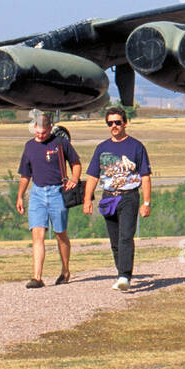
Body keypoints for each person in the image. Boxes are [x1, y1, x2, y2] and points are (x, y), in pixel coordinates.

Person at [82, 106, 152, 291]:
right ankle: (121, 272)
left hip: (128, 196)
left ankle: (124, 276)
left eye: (117, 122)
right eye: (110, 123)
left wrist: (146, 202)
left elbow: (145, 176)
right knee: (114, 240)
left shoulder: (136, 146)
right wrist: (87, 199)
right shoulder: (101, 148)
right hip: (108, 197)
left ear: (125, 123)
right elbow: (92, 176)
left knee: (125, 237)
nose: (114, 126)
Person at [16, 112, 80, 288]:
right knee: (38, 234)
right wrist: (20, 196)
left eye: (44, 132)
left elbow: (76, 163)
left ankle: (65, 271)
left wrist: (73, 180)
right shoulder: (29, 147)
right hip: (37, 193)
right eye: (37, 132)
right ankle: (37, 277)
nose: (40, 135)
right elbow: (25, 175)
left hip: (57, 192)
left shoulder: (60, 143)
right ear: (34, 128)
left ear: (50, 128)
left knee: (60, 234)